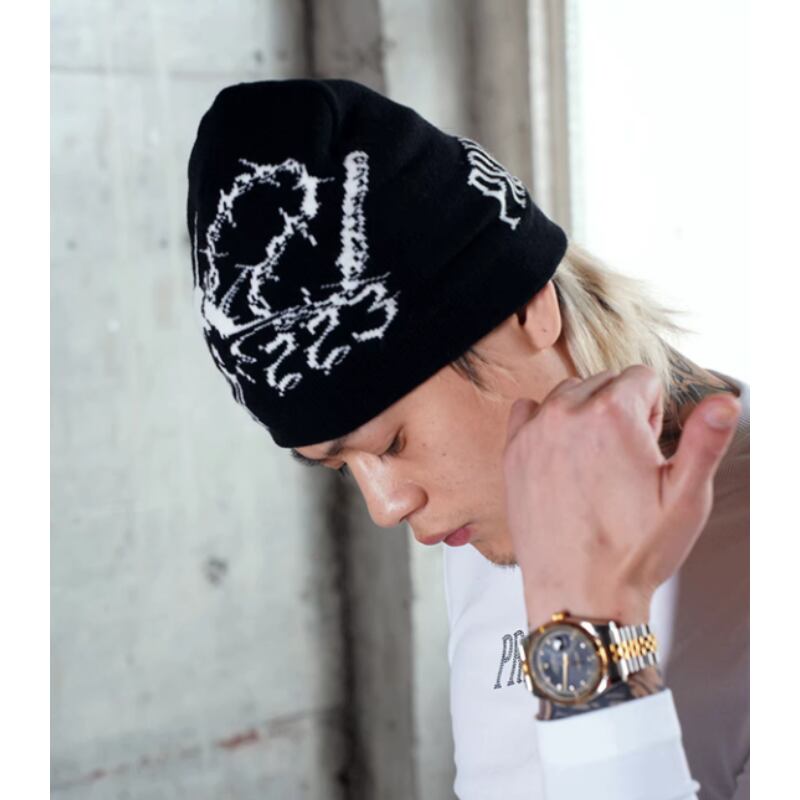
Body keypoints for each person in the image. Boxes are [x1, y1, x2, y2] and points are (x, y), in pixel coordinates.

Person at [187, 79, 748, 799]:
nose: (387, 507)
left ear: (526, 309)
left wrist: (590, 625)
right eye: (341, 466)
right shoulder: (486, 528)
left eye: (392, 442)